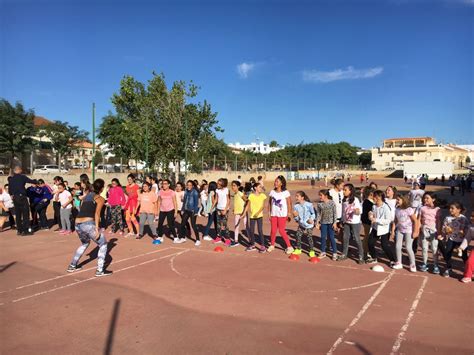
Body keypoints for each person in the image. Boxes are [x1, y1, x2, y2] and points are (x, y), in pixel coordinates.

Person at [67, 179, 111, 277]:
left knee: (85, 243)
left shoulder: (87, 196)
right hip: (88, 224)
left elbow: (83, 208)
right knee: (103, 243)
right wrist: (97, 228)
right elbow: (97, 213)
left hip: (77, 223)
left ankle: (72, 265)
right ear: (102, 188)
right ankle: (100, 270)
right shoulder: (100, 198)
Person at [438, 202, 469, 278]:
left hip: (462, 240)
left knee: (464, 256)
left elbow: (468, 229)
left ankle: (468, 269)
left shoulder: (463, 218)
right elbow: (444, 229)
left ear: (459, 210)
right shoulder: (447, 218)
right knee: (447, 253)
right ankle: (449, 268)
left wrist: (464, 232)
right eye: (450, 208)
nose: (450, 209)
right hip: (451, 239)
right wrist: (446, 231)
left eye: (452, 208)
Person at [367, 190, 396, 265]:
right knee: (370, 243)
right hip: (375, 228)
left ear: (379, 197)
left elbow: (388, 220)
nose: (373, 198)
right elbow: (372, 213)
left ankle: (392, 260)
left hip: (384, 229)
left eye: (375, 197)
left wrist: (376, 220)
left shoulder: (386, 207)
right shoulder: (374, 206)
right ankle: (374, 258)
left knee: (384, 245)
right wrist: (370, 214)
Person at [337, 184, 364, 264]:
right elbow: (343, 211)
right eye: (343, 190)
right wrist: (342, 220)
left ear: (350, 191)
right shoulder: (344, 200)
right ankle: (344, 254)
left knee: (356, 238)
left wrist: (357, 211)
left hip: (355, 222)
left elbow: (360, 210)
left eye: (345, 190)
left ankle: (361, 256)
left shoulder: (355, 199)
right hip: (346, 222)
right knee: (345, 238)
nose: (343, 191)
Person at [267, 175, 294, 254]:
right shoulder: (272, 192)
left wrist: (289, 214)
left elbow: (289, 204)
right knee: (273, 230)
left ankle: (289, 247)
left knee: (281, 231)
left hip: (282, 214)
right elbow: (269, 203)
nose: (275, 183)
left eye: (277, 181)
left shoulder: (286, 192)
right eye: (275, 181)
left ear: (281, 183)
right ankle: (272, 245)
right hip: (274, 214)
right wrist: (269, 212)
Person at [7, 166, 37, 236]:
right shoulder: (22, 177)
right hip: (22, 197)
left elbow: (10, 189)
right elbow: (30, 181)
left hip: (15, 198)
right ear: (19, 170)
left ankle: (19, 230)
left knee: (18, 214)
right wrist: (36, 181)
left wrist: (12, 195)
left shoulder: (11, 179)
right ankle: (26, 230)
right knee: (25, 213)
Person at [391, 194, 418, 272]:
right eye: (396, 199)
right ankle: (399, 262)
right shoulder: (397, 209)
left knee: (408, 247)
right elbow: (395, 221)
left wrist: (415, 231)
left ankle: (413, 264)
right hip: (400, 230)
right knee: (397, 246)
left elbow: (415, 221)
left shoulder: (409, 209)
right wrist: (392, 231)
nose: (397, 201)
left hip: (409, 231)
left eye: (398, 199)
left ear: (403, 200)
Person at [418, 192, 442, 274]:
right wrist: (419, 229)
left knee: (434, 249)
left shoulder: (437, 209)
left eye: (427, 198)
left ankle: (436, 265)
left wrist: (438, 232)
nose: (425, 199)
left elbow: (438, 221)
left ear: (433, 199)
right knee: (424, 248)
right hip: (424, 230)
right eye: (424, 198)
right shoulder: (422, 208)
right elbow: (419, 219)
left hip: (433, 231)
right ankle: (425, 263)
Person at [292, 191, 316, 258]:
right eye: (296, 196)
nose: (296, 197)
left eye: (297, 196)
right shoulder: (296, 206)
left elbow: (313, 213)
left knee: (309, 236)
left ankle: (311, 251)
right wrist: (295, 216)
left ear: (302, 197)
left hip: (309, 224)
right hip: (301, 224)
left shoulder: (309, 205)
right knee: (298, 235)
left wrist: (311, 219)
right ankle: (299, 249)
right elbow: (296, 217)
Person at [243, 182, 267, 252]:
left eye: (261, 187)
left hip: (259, 216)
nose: (261, 188)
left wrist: (258, 213)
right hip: (252, 216)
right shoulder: (251, 196)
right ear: (255, 188)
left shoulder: (263, 195)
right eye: (259, 187)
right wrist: (244, 213)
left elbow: (262, 206)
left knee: (260, 230)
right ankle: (252, 245)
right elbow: (247, 205)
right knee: (251, 231)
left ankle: (263, 246)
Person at [316, 189, 338, 260]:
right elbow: (319, 214)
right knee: (323, 237)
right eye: (319, 195)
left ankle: (334, 253)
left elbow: (335, 213)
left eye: (321, 195)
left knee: (331, 237)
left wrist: (335, 223)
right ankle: (323, 252)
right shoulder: (319, 204)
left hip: (331, 223)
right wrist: (317, 222)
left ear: (326, 196)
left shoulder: (332, 203)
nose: (320, 197)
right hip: (323, 223)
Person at [180, 180, 200, 245]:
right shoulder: (186, 191)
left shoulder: (195, 192)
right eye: (187, 185)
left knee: (193, 225)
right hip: (186, 210)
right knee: (182, 224)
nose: (188, 186)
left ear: (193, 186)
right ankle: (183, 237)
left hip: (192, 211)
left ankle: (198, 240)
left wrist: (196, 211)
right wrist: (182, 209)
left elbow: (196, 203)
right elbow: (184, 201)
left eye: (190, 185)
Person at [213, 178, 231, 246]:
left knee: (224, 225)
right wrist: (211, 208)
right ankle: (219, 237)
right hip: (218, 209)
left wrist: (225, 210)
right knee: (218, 224)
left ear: (222, 184)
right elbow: (216, 199)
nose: (217, 184)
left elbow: (228, 200)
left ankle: (227, 239)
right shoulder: (217, 190)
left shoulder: (226, 190)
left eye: (218, 183)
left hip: (224, 209)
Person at [361, 187, 375, 260]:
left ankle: (367, 250)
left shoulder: (370, 201)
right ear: (371, 194)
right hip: (367, 222)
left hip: (368, 221)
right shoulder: (367, 202)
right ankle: (365, 252)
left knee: (368, 236)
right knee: (367, 236)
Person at [459, 212, 473, 283]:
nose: (471, 218)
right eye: (471, 216)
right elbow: (467, 238)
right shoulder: (471, 228)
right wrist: (461, 247)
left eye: (473, 216)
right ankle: (468, 276)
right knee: (470, 261)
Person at [231, 180, 246, 247]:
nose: (232, 187)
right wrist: (235, 209)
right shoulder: (235, 194)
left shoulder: (240, 193)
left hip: (243, 213)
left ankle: (251, 241)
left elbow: (247, 201)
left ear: (238, 186)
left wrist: (244, 211)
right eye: (232, 185)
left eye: (234, 186)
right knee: (236, 226)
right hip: (237, 213)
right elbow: (237, 202)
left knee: (246, 227)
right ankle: (236, 240)